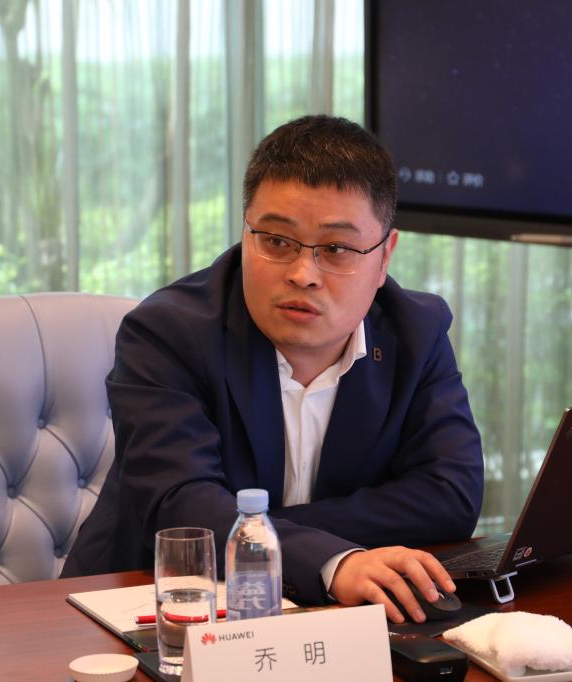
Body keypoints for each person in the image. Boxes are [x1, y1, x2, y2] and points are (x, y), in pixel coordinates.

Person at [62, 115, 484, 623]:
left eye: (336, 249)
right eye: (277, 241)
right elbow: (184, 507)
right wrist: (333, 560)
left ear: (384, 256)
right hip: (152, 609)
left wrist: (260, 527)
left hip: (335, 617)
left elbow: (450, 497)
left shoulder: (416, 331)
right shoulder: (167, 333)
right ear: (246, 232)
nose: (303, 274)